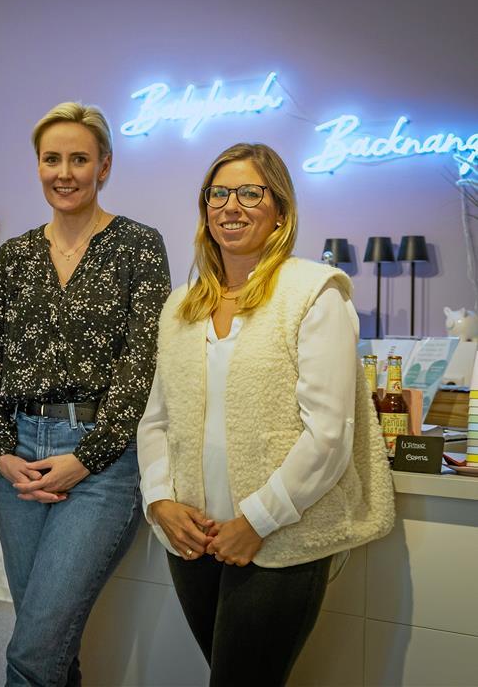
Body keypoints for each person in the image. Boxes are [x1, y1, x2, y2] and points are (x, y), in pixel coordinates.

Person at [137, 142, 395, 686]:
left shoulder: (313, 293)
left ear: (279, 209)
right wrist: (160, 500)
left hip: (279, 537)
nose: (231, 206)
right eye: (218, 194)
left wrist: (255, 521)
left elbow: (329, 434)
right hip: (193, 536)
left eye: (250, 193)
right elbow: (157, 418)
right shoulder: (182, 304)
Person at [0, 102, 171, 687]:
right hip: (18, 461)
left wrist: (84, 460)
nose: (65, 172)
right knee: (52, 641)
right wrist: (0, 452)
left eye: (79, 159)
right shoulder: (15, 255)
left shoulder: (139, 245)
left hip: (101, 461)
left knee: (33, 650)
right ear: (37, 166)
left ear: (104, 166)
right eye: (51, 158)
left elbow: (143, 369)